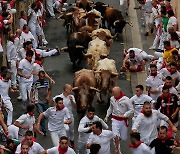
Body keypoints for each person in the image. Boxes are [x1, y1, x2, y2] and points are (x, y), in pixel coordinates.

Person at [104, 86, 134, 154]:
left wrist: (125, 115)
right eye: (113, 93)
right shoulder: (112, 99)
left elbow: (131, 110)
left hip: (123, 121)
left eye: (114, 93)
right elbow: (110, 108)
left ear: (119, 93)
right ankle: (118, 151)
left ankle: (118, 139)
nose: (113, 95)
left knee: (123, 138)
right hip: (115, 119)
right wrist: (107, 115)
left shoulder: (126, 99)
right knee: (115, 136)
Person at [30, 70, 51, 136]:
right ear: (38, 76)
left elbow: (49, 90)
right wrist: (31, 98)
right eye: (41, 77)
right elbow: (32, 90)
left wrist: (48, 96)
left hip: (45, 101)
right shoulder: (36, 83)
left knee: (46, 115)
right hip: (38, 101)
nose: (42, 78)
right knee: (41, 115)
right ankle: (44, 130)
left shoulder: (46, 82)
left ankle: (41, 121)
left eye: (43, 76)